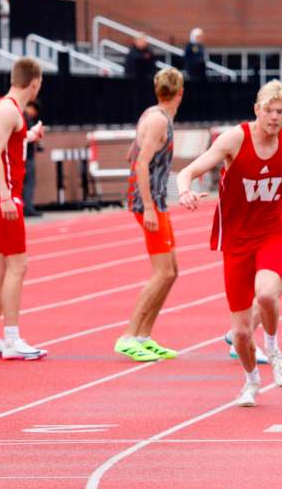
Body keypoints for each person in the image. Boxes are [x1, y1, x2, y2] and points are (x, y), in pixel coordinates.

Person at [177, 80, 282, 407]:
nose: (275, 117)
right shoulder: (235, 139)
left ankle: (274, 347)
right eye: (269, 110)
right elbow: (191, 169)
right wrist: (184, 190)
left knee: (268, 291)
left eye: (281, 112)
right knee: (239, 333)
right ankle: (251, 381)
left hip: (271, 230)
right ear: (257, 109)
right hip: (236, 239)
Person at [114, 68, 184, 362]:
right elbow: (141, 163)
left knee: (172, 271)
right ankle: (129, 335)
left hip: (156, 200)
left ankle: (144, 335)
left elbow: (133, 154)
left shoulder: (155, 116)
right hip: (149, 204)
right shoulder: (157, 121)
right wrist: (149, 206)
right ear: (180, 93)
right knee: (163, 272)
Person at [0, 58, 46, 361]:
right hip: (3, 195)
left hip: (0, 193)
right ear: (34, 82)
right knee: (18, 266)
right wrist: (6, 196)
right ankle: (12, 339)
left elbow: (6, 145)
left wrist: (29, 136)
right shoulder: (8, 110)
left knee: (2, 268)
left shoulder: (9, 110)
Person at [22, 100, 43, 217]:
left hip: (23, 156)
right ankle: (28, 207)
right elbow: (28, 136)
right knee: (29, 182)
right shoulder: (26, 119)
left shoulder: (20, 117)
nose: (34, 114)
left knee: (24, 183)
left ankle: (25, 207)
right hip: (27, 157)